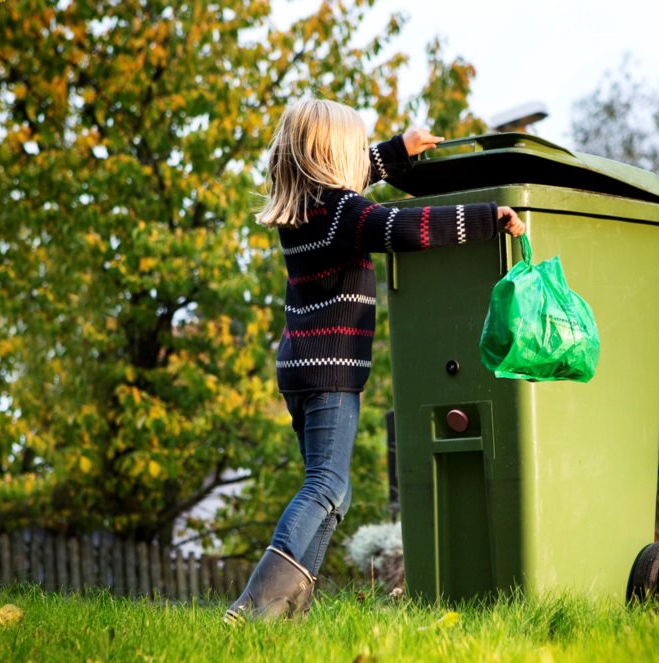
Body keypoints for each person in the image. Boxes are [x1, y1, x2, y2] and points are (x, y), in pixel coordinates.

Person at [224, 98, 525, 624]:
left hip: (299, 365)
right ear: (333, 156)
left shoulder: (305, 209)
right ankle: (256, 605)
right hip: (331, 370)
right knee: (326, 485)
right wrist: (486, 219)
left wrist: (395, 152)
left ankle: (286, 614)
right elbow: (402, 230)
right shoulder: (344, 212)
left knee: (331, 490)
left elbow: (359, 176)